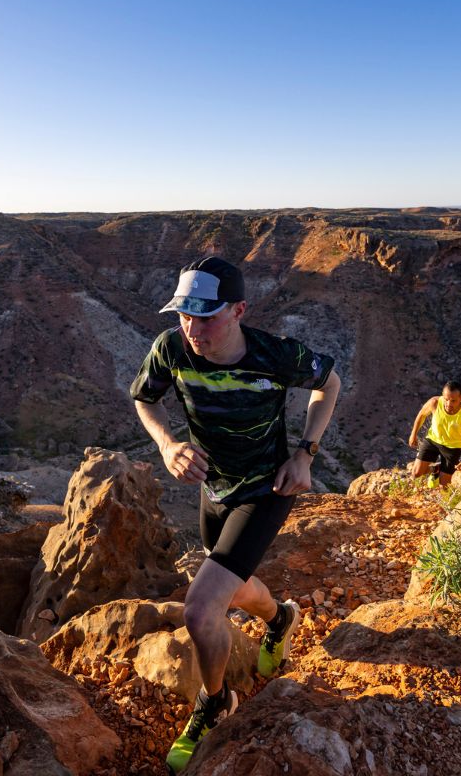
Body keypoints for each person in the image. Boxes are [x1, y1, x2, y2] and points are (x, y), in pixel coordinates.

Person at [129, 256, 341, 774]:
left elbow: (329, 383)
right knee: (231, 583)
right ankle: (281, 617)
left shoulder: (275, 354)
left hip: (267, 488)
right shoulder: (171, 347)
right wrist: (166, 444)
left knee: (203, 609)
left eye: (207, 317)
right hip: (214, 489)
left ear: (239, 310)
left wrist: (305, 454)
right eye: (185, 315)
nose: (193, 329)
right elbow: (145, 400)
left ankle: (215, 702)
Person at [407, 380, 461, 488]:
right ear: (442, 395)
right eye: (446, 399)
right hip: (432, 440)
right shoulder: (435, 403)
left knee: (444, 486)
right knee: (416, 473)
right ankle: (435, 468)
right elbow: (421, 415)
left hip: (453, 448)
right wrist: (413, 434)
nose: (448, 404)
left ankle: (444, 498)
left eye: (453, 401)